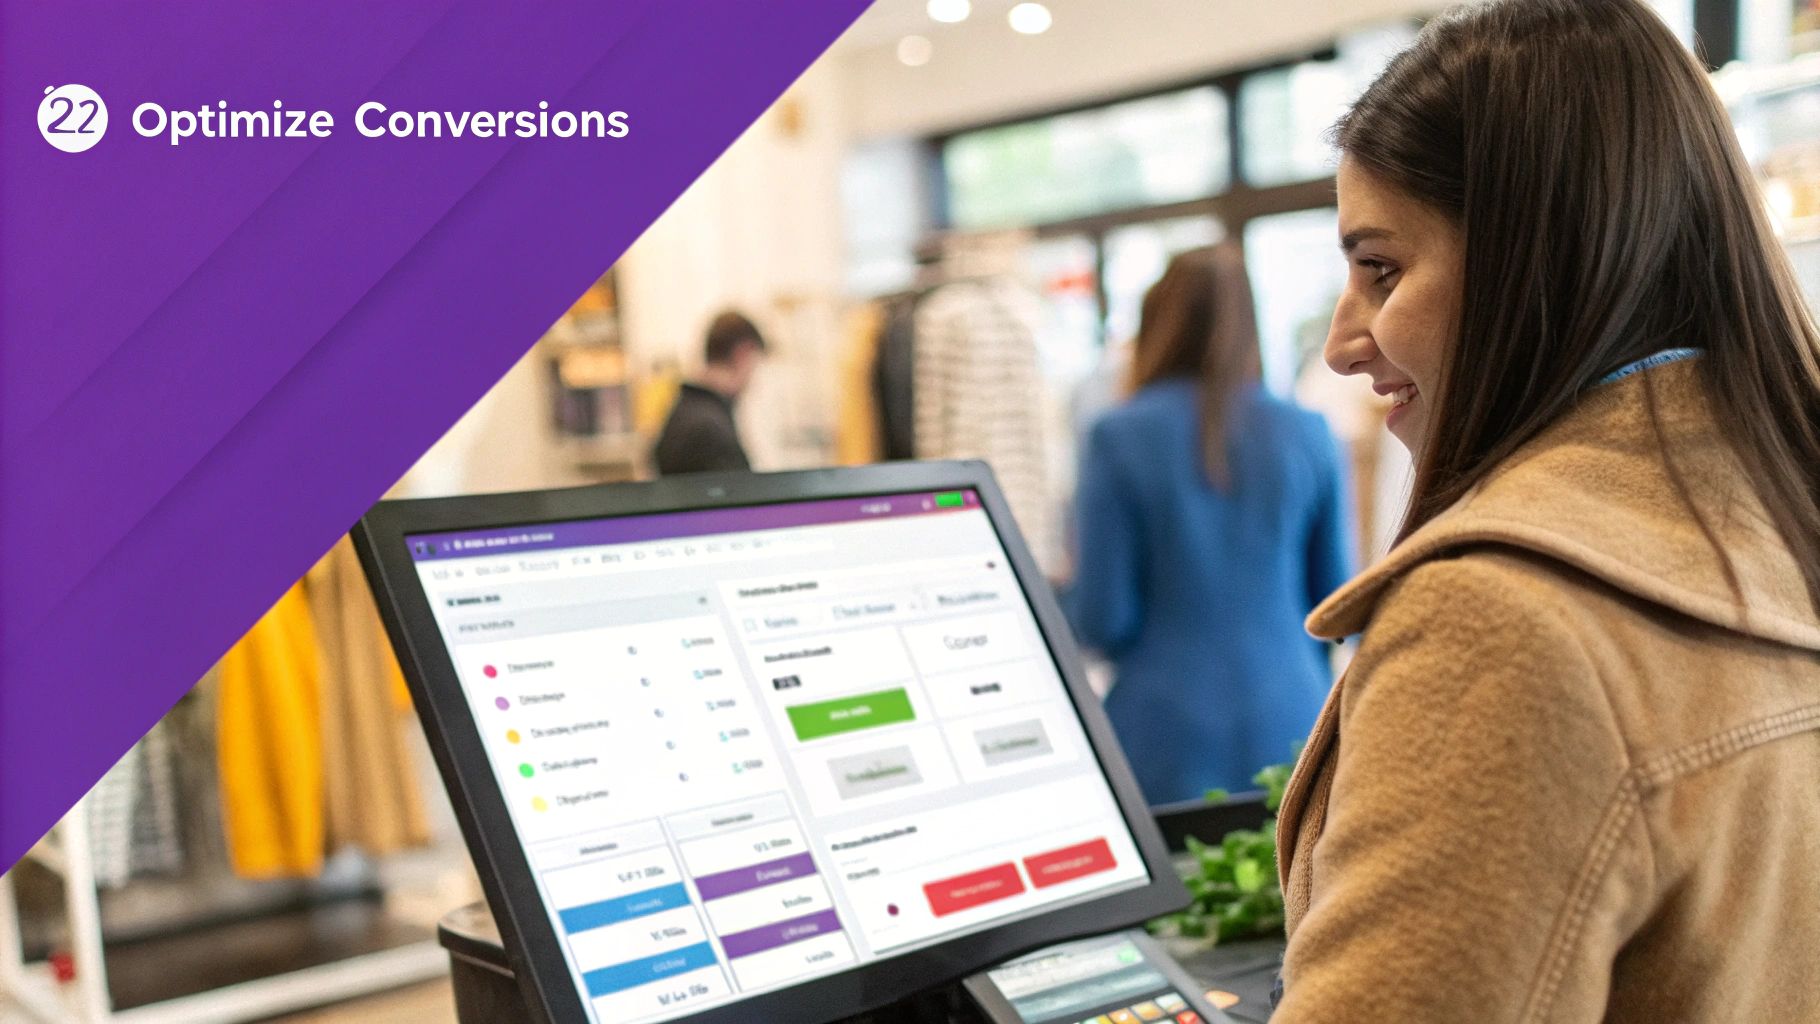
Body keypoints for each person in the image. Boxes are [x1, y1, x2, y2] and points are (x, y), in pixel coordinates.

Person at [1273, 2, 1820, 1021]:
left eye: (1381, 268)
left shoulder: (1502, 621)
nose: (1343, 343)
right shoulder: (1781, 512)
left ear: (1540, 257)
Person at [1064, 244, 1355, 803]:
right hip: (1297, 723)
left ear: (1156, 321)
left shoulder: (1118, 436)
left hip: (1161, 733)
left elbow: (1105, 618)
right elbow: (1338, 603)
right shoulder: (1310, 432)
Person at [652, 311, 767, 475]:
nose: (753, 380)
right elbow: (738, 489)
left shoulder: (686, 407)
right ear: (743, 354)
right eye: (754, 367)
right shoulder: (710, 428)